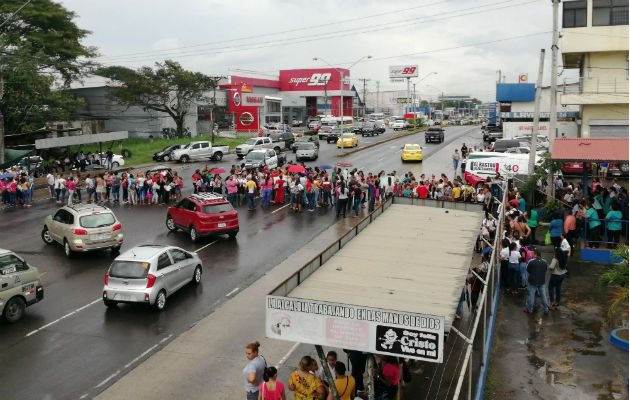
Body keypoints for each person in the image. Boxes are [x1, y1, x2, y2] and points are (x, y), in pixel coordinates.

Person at [524, 248, 550, 314]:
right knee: (543, 295)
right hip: (541, 281)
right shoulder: (544, 261)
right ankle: (546, 308)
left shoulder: (531, 261)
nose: (531, 254)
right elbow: (545, 269)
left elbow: (528, 270)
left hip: (533, 281)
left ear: (535, 254)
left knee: (531, 295)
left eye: (532, 253)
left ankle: (530, 309)